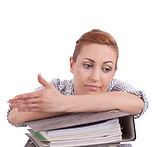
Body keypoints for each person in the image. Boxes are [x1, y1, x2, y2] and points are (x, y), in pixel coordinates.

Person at [7, 29, 148, 127]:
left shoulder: (115, 87)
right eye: (87, 65)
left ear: (114, 72)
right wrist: (58, 102)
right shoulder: (57, 88)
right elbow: (14, 116)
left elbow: (138, 104)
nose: (95, 77)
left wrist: (63, 103)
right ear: (72, 65)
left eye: (106, 69)